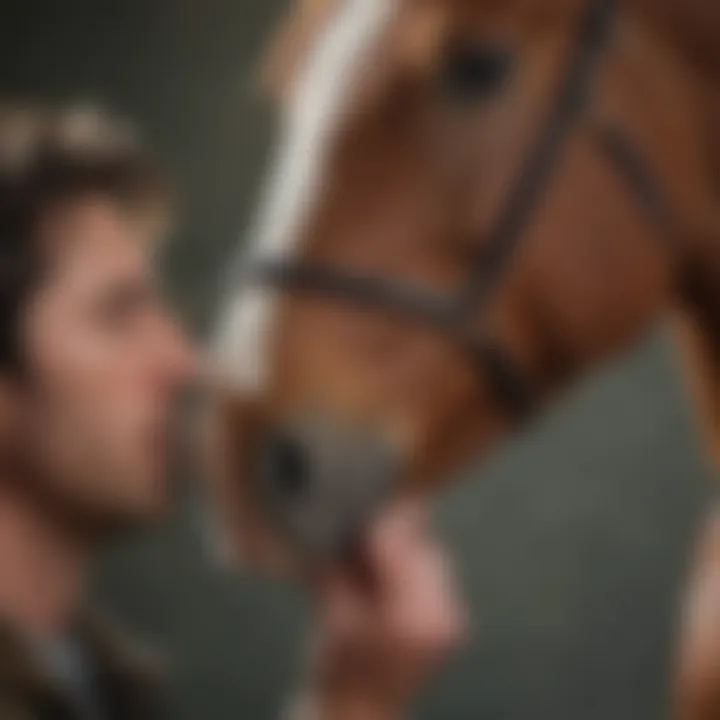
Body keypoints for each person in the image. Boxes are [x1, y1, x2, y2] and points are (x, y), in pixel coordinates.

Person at [0, 103, 465, 720]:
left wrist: (353, 692)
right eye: (116, 315)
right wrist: (354, 702)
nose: (185, 362)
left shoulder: (98, 683)